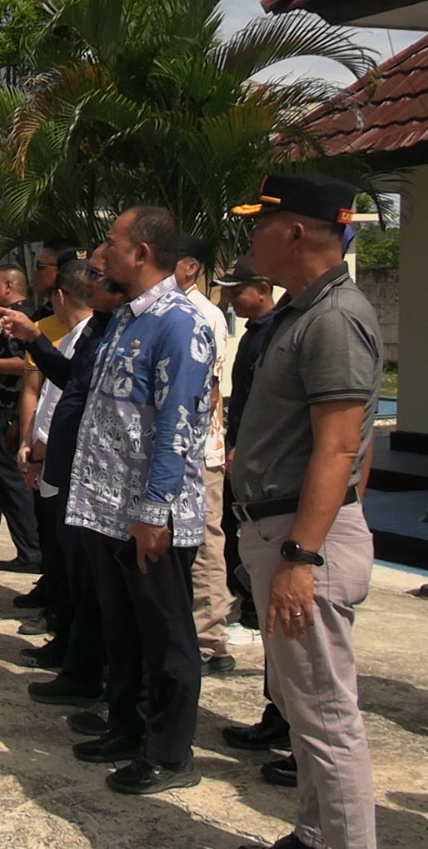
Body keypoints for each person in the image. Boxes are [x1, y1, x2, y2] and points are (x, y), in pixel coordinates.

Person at [31, 206, 216, 796]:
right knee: (124, 629)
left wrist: (155, 511)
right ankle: (127, 725)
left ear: (141, 253)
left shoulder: (179, 324)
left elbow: (179, 425)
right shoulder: (125, 320)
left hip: (149, 515)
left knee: (165, 637)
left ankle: (169, 751)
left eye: (111, 243)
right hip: (107, 509)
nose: (101, 253)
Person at [230, 173, 381, 849]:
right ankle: (318, 831)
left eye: (259, 224)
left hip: (302, 534)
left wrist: (302, 556)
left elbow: (341, 446)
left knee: (325, 714)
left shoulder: (334, 318)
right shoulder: (302, 311)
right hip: (283, 526)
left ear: (294, 231)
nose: (251, 238)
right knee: (305, 705)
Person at [213, 255, 294, 762]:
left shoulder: (280, 331)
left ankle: (289, 725)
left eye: (236, 290)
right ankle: (276, 714)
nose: (230, 299)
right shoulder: (257, 334)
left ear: (262, 288)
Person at [13, 253, 98, 652]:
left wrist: (38, 454)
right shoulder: (78, 336)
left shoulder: (86, 338)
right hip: (54, 459)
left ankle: (69, 642)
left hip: (63, 465)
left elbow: (63, 408)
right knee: (63, 558)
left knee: (69, 562)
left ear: (61, 296)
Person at [175, 236, 236, 676]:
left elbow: (208, 389)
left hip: (201, 449)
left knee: (205, 544)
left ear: (191, 268)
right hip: (176, 449)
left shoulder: (203, 314)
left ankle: (211, 639)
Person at [0, 265, 43, 572]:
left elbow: (25, 363)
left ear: (8, 287)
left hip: (7, 411)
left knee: (12, 484)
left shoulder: (22, 319)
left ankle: (31, 551)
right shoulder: (2, 317)